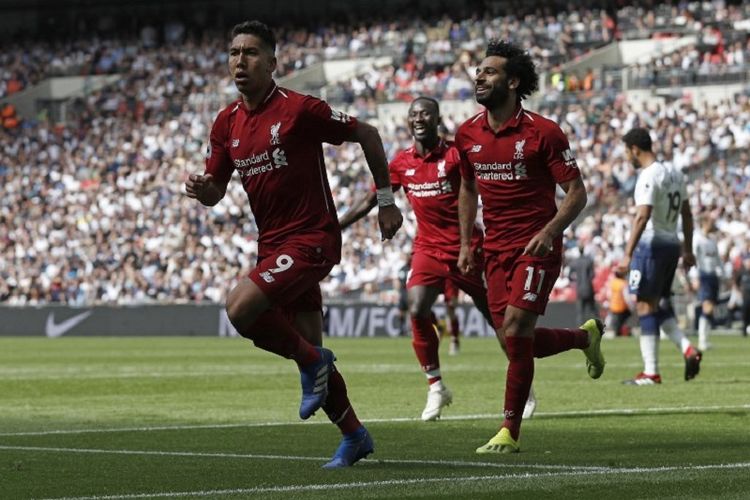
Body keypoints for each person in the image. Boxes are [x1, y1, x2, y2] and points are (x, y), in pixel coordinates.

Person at [184, 20, 403, 468]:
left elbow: (369, 133)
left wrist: (385, 202)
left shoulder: (300, 109)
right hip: (274, 246)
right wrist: (202, 187)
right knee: (311, 361)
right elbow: (216, 192)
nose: (239, 61)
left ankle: (312, 360)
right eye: (233, 52)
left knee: (241, 308)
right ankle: (354, 435)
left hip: (313, 238)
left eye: (250, 52)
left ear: (272, 62)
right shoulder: (226, 122)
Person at [340, 96, 537, 422]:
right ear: (408, 121)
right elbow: (372, 198)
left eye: (425, 114)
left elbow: (474, 192)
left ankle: (524, 388)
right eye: (413, 114)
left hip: (468, 249)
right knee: (416, 307)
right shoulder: (402, 162)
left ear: (437, 119)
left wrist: (466, 245)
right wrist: (335, 227)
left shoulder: (455, 154)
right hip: (427, 249)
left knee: (499, 321)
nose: (419, 118)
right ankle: (436, 387)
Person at [456, 39, 605, 454]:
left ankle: (509, 431)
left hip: (536, 248)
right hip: (495, 251)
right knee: (512, 341)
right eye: (479, 71)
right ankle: (582, 339)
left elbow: (576, 193)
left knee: (517, 329)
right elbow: (466, 187)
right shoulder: (467, 133)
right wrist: (467, 241)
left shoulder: (544, 132)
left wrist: (551, 231)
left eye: (490, 71)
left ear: (513, 80)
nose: (480, 76)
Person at [616, 127, 701, 386]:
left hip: (651, 246)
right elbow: (687, 214)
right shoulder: (675, 173)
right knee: (658, 305)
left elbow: (642, 215)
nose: (626, 157)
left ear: (635, 149)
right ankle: (687, 348)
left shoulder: (648, 176)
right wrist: (687, 249)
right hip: (672, 245)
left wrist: (627, 254)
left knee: (644, 305)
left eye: (626, 152)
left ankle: (651, 372)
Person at [692, 215, 722, 350]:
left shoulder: (712, 241)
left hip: (712, 275)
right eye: (711, 222)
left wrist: (722, 272)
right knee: (707, 306)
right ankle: (702, 340)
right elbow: (693, 258)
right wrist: (694, 276)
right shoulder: (697, 239)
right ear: (704, 222)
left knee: (711, 307)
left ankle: (705, 339)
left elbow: (717, 259)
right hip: (703, 275)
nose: (713, 225)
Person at [569, 244, 599, 326]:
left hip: (579, 289)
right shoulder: (589, 261)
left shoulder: (575, 262)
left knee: (580, 312)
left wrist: (576, 280)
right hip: (588, 288)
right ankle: (598, 327)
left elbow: (570, 276)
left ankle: (580, 330)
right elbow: (592, 275)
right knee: (592, 310)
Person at [607, 268, 632, 337]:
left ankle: (618, 331)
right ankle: (623, 331)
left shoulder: (612, 282)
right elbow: (627, 296)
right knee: (624, 319)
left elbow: (608, 294)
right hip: (621, 306)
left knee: (617, 322)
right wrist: (631, 306)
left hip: (613, 306)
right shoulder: (623, 283)